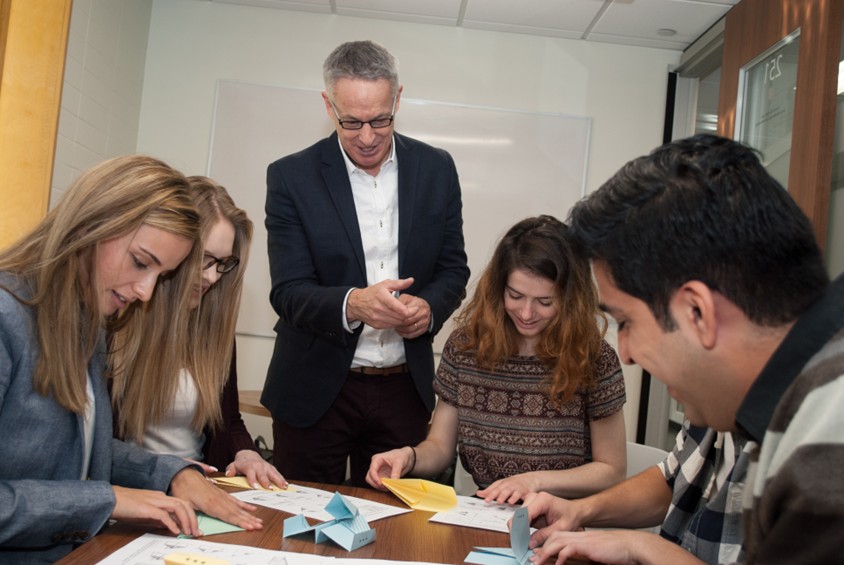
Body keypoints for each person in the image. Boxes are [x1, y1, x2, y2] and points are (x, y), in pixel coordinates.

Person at [524, 133, 844, 564]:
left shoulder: (827, 440)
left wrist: (643, 547)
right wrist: (590, 516)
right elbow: (676, 477)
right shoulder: (729, 392)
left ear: (697, 312)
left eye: (627, 322)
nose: (627, 353)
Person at [0, 156, 262, 563]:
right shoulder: (6, 318)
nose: (145, 292)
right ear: (89, 226)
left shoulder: (88, 320)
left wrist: (170, 472)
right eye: (141, 263)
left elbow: (82, 450)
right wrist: (104, 499)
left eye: (162, 275)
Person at [262, 39, 470, 486]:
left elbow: (454, 268)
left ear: (398, 98)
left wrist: (429, 309)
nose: (368, 136)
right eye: (351, 121)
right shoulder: (290, 177)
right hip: (314, 389)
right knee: (301, 531)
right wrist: (354, 304)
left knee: (398, 531)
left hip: (403, 390)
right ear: (328, 104)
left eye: (380, 119)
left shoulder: (436, 169)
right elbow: (288, 291)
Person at [367, 215, 627, 502]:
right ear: (498, 287)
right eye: (515, 296)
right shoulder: (467, 347)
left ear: (570, 299)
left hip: (559, 518)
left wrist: (534, 482)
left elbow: (611, 470)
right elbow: (440, 447)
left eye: (545, 302)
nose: (526, 314)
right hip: (484, 514)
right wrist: (410, 457)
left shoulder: (592, 358)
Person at [111, 176, 286, 490]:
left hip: (200, 489)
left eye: (221, 263)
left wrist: (248, 453)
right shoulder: (117, 323)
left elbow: (228, 421)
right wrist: (167, 474)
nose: (211, 277)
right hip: (130, 492)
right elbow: (95, 448)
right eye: (202, 258)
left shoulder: (213, 330)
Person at [523, 420, 749, 564]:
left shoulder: (777, 451)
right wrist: (577, 510)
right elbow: (670, 480)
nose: (628, 357)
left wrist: (638, 545)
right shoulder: (707, 411)